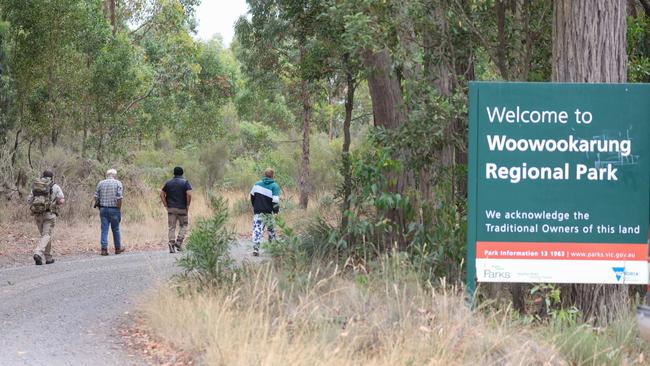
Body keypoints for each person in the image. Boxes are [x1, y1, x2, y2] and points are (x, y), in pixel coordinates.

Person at [27, 170, 65, 265]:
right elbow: (61, 200)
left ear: (42, 176)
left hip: (37, 214)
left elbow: (29, 200)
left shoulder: (36, 186)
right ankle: (38, 253)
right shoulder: (55, 186)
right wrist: (56, 202)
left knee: (45, 236)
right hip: (50, 214)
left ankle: (48, 258)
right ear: (52, 177)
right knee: (46, 235)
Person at [160, 166, 192, 253]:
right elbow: (189, 194)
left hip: (171, 208)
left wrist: (166, 205)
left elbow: (162, 194)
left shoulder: (168, 183)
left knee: (171, 227)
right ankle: (179, 242)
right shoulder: (185, 182)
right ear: (182, 173)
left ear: (174, 173)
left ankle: (171, 243)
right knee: (184, 225)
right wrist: (187, 205)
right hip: (182, 208)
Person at [250, 168, 280, 256]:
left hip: (258, 212)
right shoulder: (275, 186)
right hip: (268, 213)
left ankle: (256, 249)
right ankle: (272, 249)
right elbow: (275, 201)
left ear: (264, 174)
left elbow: (252, 197)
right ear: (272, 175)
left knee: (257, 230)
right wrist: (276, 212)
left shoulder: (257, 184)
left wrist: (255, 207)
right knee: (271, 230)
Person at [95, 168, 124, 256]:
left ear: (107, 175)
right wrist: (118, 209)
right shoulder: (118, 183)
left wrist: (100, 207)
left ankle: (104, 249)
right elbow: (119, 198)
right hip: (114, 209)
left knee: (104, 229)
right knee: (115, 229)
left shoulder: (101, 183)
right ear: (114, 175)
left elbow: (96, 197)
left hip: (103, 209)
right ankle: (117, 248)